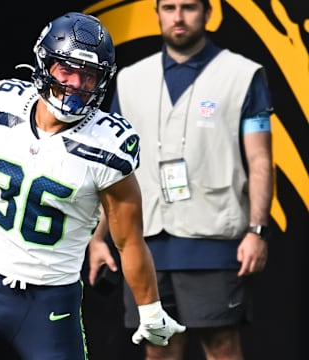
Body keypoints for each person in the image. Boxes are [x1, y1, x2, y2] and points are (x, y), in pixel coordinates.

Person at [0, 12, 186, 360]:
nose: (76, 84)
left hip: (49, 305)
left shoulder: (107, 145)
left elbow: (129, 240)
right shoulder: (3, 107)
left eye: (88, 76)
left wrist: (150, 311)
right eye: (67, 70)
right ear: (45, 64)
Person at [88, 0, 274, 359]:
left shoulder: (242, 75)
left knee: (220, 346)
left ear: (207, 14)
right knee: (160, 349)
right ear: (156, 14)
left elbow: (261, 160)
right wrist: (97, 239)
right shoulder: (129, 79)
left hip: (215, 236)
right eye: (169, 7)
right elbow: (112, 167)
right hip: (144, 243)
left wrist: (257, 231)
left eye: (188, 7)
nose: (178, 16)